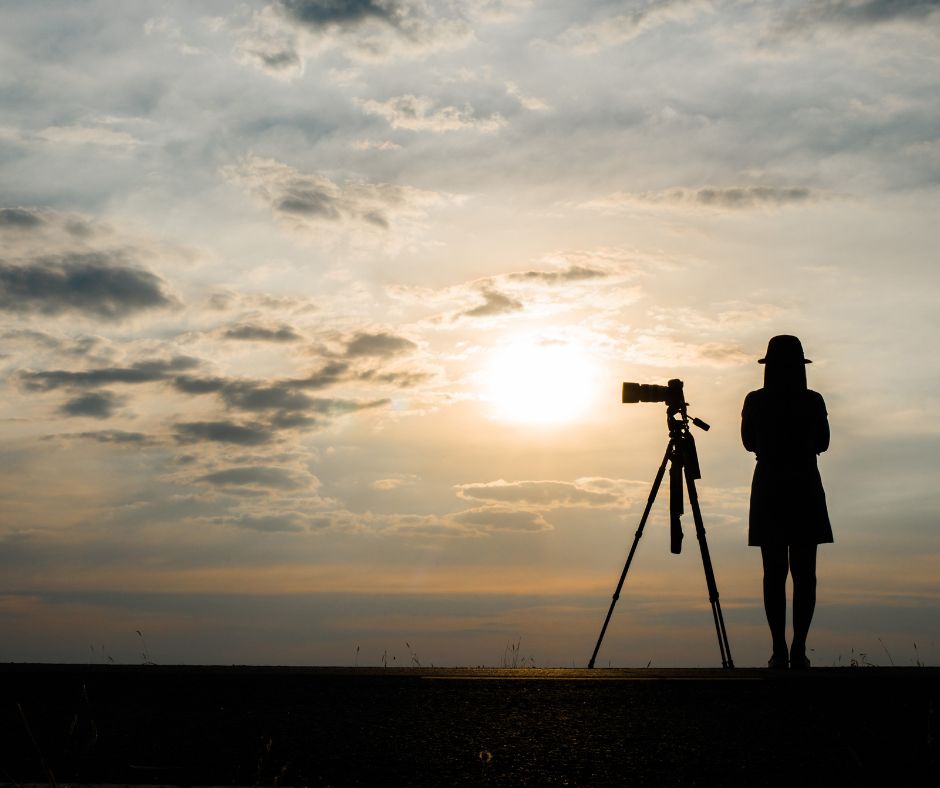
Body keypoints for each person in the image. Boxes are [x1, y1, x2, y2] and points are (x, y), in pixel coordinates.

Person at [741, 335, 832, 669]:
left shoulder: (756, 400)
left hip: (770, 486)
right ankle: (796, 649)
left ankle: (781, 649)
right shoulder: (812, 401)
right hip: (804, 484)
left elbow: (748, 442)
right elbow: (823, 441)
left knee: (774, 572)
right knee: (804, 572)